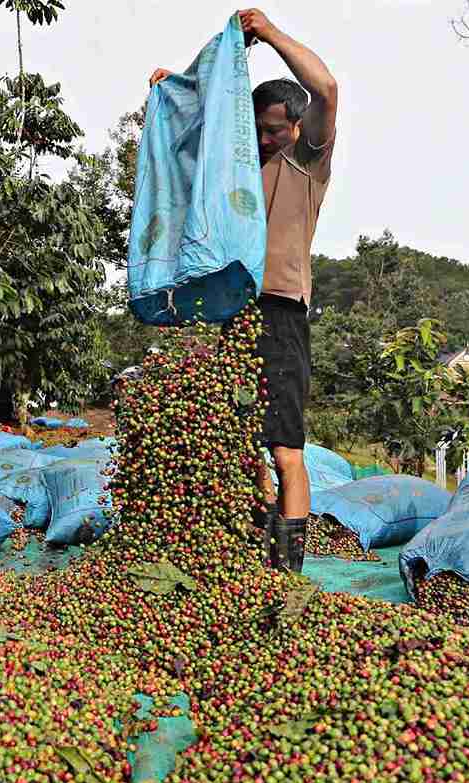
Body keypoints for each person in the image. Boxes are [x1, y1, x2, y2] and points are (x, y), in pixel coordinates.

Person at [148, 8, 338, 574]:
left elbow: (325, 87)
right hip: (230, 311)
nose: (263, 139)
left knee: (284, 449)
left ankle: (289, 573)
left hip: (279, 312)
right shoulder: (234, 172)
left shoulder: (307, 162)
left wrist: (270, 34)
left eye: (274, 129)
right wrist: (171, 93)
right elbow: (186, 149)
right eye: (255, 129)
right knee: (235, 439)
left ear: (298, 129)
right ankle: (251, 557)